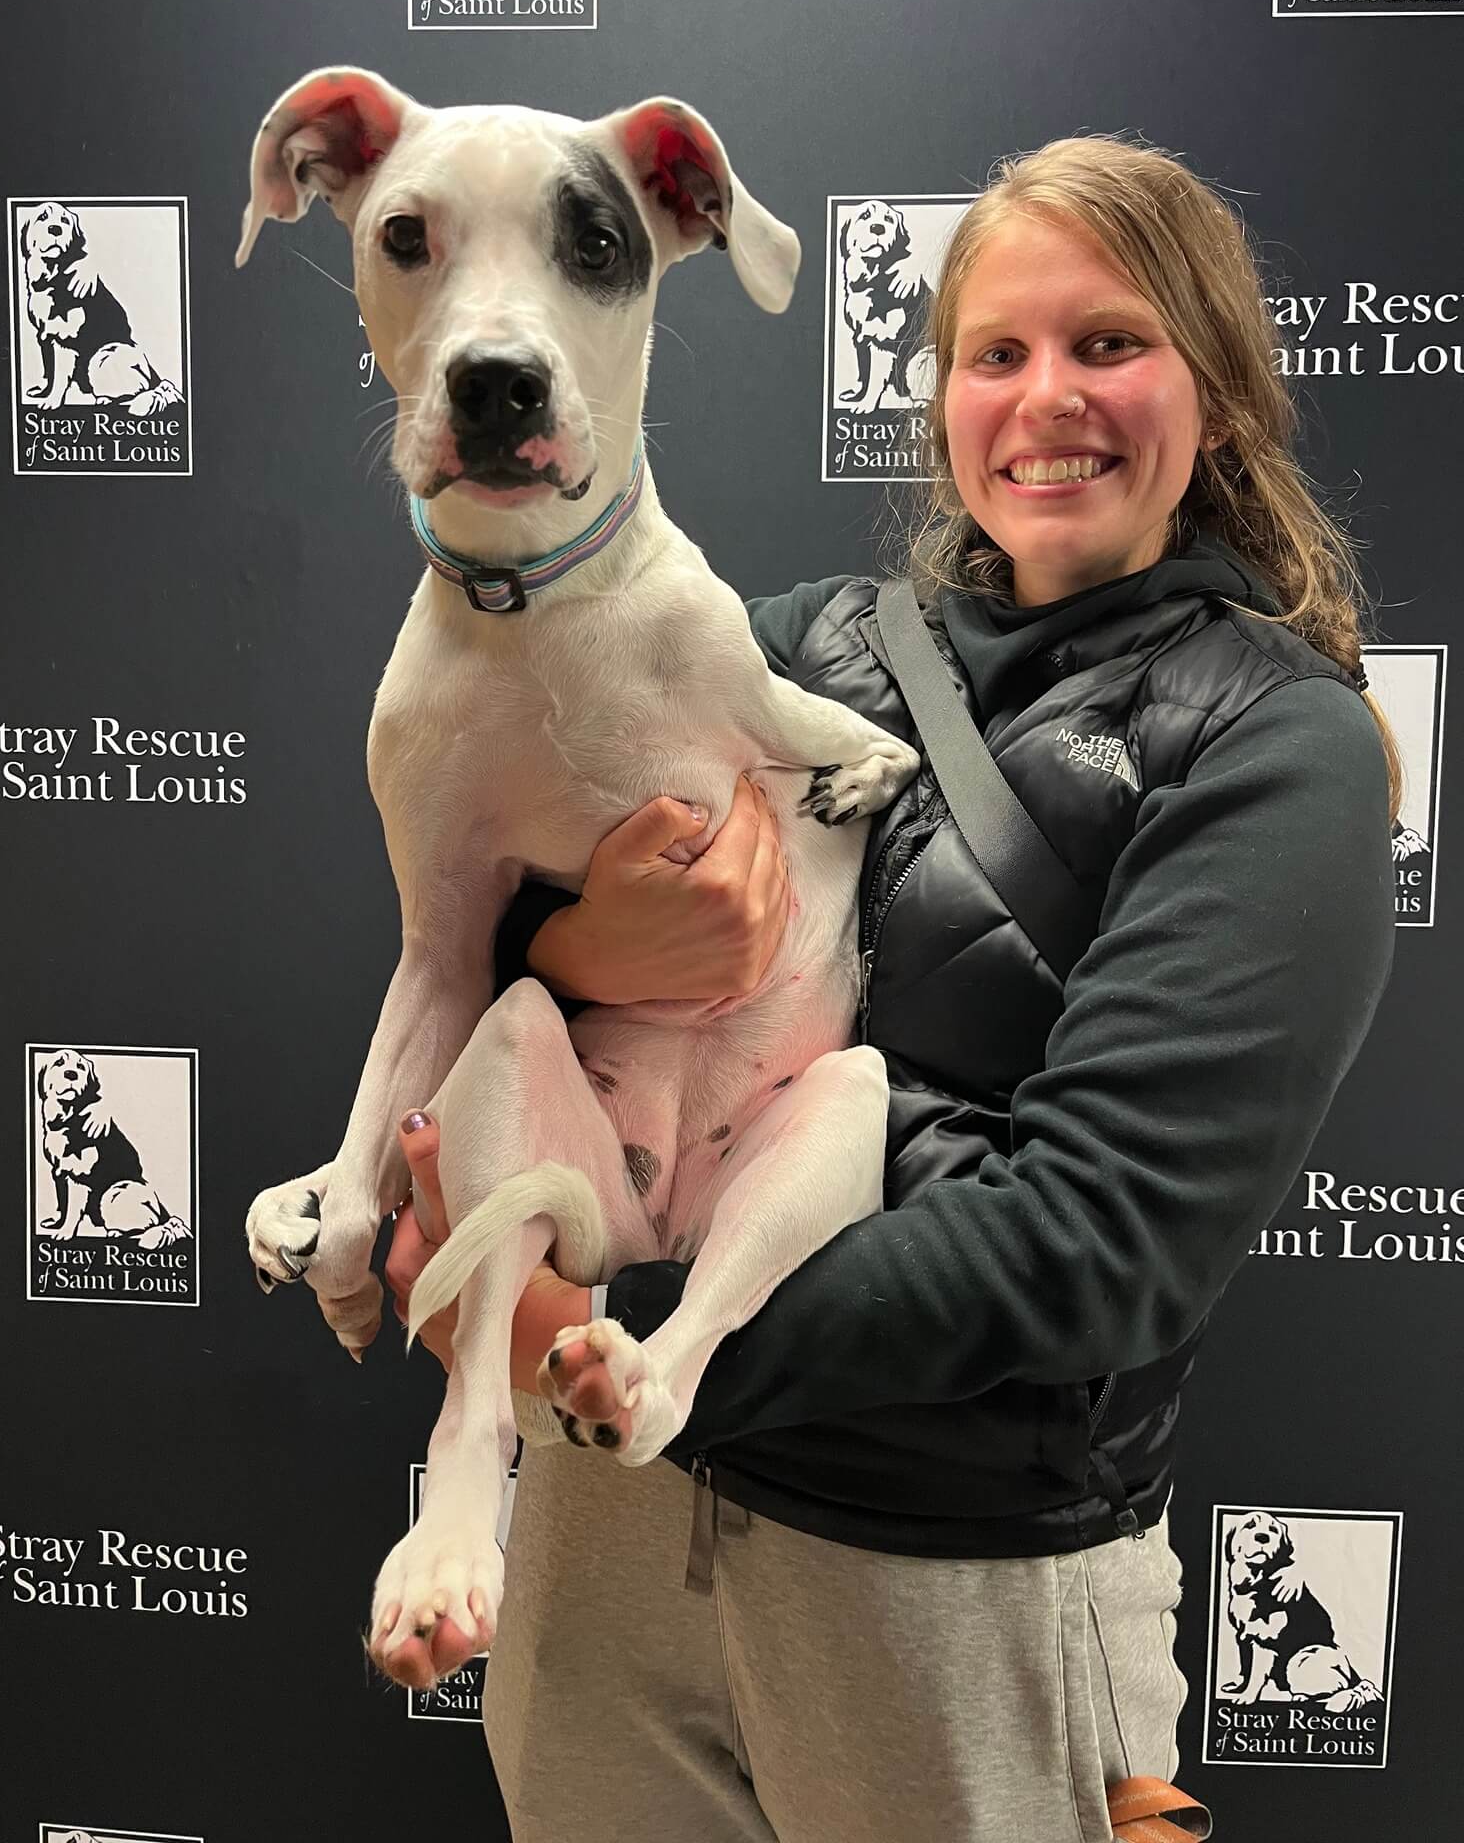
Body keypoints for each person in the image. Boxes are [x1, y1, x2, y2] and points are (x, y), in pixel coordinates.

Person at [382, 134, 1398, 1842]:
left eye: (1110, 343)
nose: (1045, 397)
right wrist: (574, 954)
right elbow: (463, 927)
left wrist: (631, 1350)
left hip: (955, 1597)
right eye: (995, 353)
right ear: (939, 398)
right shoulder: (793, 646)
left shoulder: (1270, 745)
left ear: (1213, 390)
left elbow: (1100, 1240)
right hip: (608, 1553)